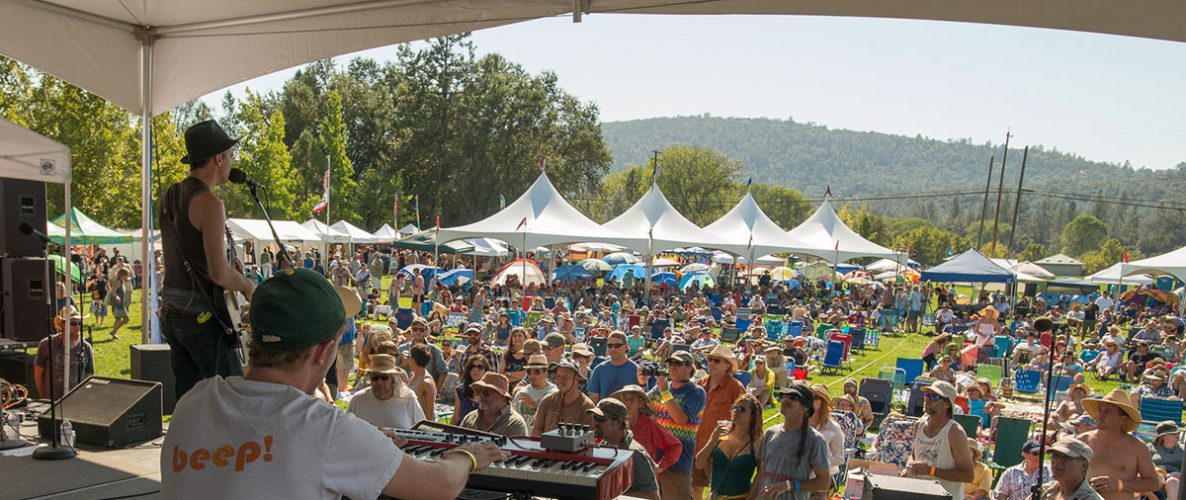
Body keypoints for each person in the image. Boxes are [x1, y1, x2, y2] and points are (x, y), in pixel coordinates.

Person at [160, 268, 508, 499]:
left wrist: (366, 442)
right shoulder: (324, 429)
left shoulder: (193, 402)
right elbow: (442, 485)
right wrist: (468, 455)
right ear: (325, 351)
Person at [158, 120, 257, 399]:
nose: (231, 161)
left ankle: (186, 443)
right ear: (217, 158)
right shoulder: (209, 204)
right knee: (230, 397)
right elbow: (218, 274)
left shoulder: (170, 195)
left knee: (189, 401)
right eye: (230, 155)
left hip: (172, 311)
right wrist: (248, 285)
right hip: (200, 315)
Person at [1080, 388, 1161, 500]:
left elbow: (1153, 483)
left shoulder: (1137, 447)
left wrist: (1119, 484)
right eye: (1099, 410)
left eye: (1107, 411)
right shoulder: (1082, 441)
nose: (1101, 415)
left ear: (1122, 419)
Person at [754, 384, 832, 499]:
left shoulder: (815, 440)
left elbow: (824, 482)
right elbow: (761, 472)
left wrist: (788, 485)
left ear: (805, 408)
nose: (785, 400)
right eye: (784, 396)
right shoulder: (771, 433)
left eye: (793, 398)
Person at [648, 350, 707, 500]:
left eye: (678, 364)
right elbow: (642, 406)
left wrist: (664, 392)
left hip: (678, 464)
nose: (672, 367)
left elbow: (680, 418)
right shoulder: (661, 388)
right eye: (670, 363)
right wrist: (642, 382)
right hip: (656, 461)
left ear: (690, 368)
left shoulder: (696, 392)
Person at [694, 343, 747, 498]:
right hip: (697, 446)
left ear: (727, 366)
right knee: (695, 487)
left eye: (717, 361)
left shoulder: (735, 387)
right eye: (710, 359)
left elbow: (744, 417)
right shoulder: (700, 384)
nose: (711, 363)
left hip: (721, 448)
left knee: (717, 491)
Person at [907, 380, 975, 499]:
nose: (927, 399)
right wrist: (910, 466)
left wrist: (931, 471)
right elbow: (914, 455)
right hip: (918, 494)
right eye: (926, 395)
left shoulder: (955, 433)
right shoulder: (919, 425)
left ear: (947, 404)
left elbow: (968, 475)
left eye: (933, 396)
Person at [587, 398, 662, 500]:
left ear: (618, 423)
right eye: (594, 417)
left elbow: (652, 496)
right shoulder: (603, 446)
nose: (595, 423)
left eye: (601, 419)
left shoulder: (635, 454)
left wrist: (613, 497)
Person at [695, 394, 762, 500]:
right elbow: (699, 464)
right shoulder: (721, 434)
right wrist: (712, 440)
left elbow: (761, 474)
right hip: (715, 496)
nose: (736, 411)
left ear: (753, 416)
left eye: (742, 409)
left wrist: (751, 498)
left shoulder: (756, 443)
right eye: (734, 407)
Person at [613, 384, 683, 475]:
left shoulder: (649, 426)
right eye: (624, 398)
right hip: (618, 477)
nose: (627, 402)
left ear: (640, 403)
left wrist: (660, 467)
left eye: (632, 399)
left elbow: (675, 446)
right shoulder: (613, 423)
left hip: (643, 481)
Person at [347, 354, 425, 430]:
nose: (379, 382)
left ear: (393, 379)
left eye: (384, 377)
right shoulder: (358, 400)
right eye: (375, 377)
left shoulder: (408, 399)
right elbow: (347, 431)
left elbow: (424, 431)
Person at [34, 305, 95, 397]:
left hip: (76, 402)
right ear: (63, 324)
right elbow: (38, 375)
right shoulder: (46, 344)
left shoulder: (86, 347)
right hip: (52, 401)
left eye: (80, 323)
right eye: (74, 323)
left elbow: (89, 375)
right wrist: (43, 396)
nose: (78, 327)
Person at [532, 359, 594, 435]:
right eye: (558, 376)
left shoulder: (586, 406)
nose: (561, 380)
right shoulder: (547, 401)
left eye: (565, 377)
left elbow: (587, 439)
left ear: (577, 379)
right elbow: (537, 431)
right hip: (546, 446)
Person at [460, 372, 528, 436]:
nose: (481, 396)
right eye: (478, 392)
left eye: (486, 392)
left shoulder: (515, 424)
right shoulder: (469, 418)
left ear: (502, 396)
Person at [588, 331, 640, 402]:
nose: (613, 349)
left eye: (617, 345)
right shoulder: (599, 369)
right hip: (604, 411)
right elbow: (593, 400)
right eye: (610, 345)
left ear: (626, 346)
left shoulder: (636, 370)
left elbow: (642, 398)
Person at [512, 354, 556, 429]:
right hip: (522, 438)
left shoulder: (554, 393)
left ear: (546, 372)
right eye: (529, 372)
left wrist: (534, 406)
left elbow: (552, 420)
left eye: (536, 372)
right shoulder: (521, 393)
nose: (532, 376)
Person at [451, 354, 489, 425]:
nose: (475, 370)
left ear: (485, 370)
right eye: (472, 367)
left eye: (480, 367)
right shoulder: (461, 390)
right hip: (462, 430)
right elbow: (456, 416)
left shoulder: (491, 392)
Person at [407, 344, 437, 421]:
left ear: (412, 360)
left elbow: (429, 413)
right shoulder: (412, 374)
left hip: (422, 426)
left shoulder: (427, 383)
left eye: (409, 357)